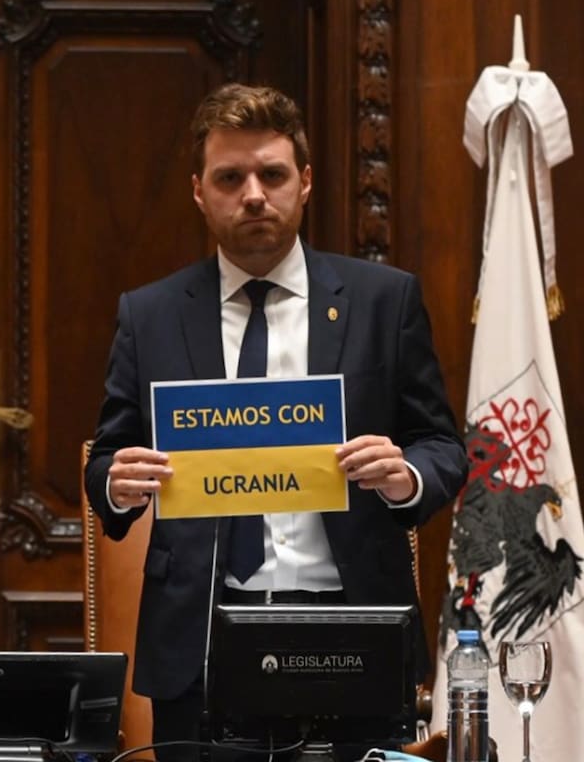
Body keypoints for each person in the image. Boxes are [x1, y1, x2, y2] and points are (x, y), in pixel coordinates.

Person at [84, 83, 467, 761]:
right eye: (231, 178)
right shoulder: (151, 314)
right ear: (200, 192)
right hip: (201, 639)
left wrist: (405, 475)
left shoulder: (384, 300)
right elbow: (106, 458)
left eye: (272, 174)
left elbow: (441, 444)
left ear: (306, 182)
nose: (253, 194)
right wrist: (116, 484)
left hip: (351, 629)